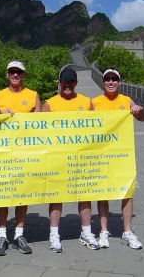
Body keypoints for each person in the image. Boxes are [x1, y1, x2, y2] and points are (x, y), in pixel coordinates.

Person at [41, 67, 99, 253]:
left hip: (81, 156)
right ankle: (54, 234)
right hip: (58, 156)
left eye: (71, 82)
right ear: (59, 83)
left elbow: (98, 127)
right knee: (57, 196)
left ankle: (86, 232)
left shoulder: (87, 102)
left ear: (76, 83)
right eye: (64, 81)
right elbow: (39, 131)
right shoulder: (49, 104)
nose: (67, 85)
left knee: (85, 194)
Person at [92, 68, 144, 249]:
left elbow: (142, 119)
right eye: (108, 79)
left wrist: (139, 110)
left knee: (127, 193)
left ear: (119, 82)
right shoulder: (95, 102)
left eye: (114, 79)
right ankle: (104, 231)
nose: (111, 82)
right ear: (103, 82)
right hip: (102, 153)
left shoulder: (126, 100)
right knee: (103, 193)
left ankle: (127, 232)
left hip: (123, 154)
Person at [0, 60, 41, 255]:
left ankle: (19, 234)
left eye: (18, 72)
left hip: (25, 151)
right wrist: (1, 114)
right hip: (4, 151)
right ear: (7, 74)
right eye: (12, 72)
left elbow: (39, 124)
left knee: (22, 192)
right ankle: (2, 235)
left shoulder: (33, 95)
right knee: (3, 193)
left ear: (23, 75)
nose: (15, 75)